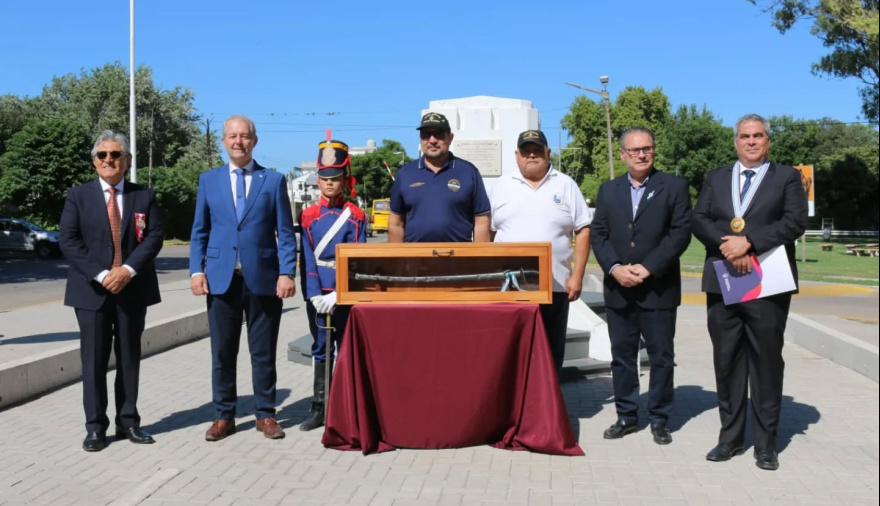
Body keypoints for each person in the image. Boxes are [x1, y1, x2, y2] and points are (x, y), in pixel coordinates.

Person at [693, 114, 807, 471]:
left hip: (768, 283)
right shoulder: (716, 177)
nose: (752, 142)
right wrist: (728, 246)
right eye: (745, 136)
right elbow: (700, 218)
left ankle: (765, 444)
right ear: (736, 141)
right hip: (724, 281)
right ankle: (730, 439)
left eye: (758, 136)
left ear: (767, 141)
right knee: (727, 362)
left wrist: (751, 243)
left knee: (766, 362)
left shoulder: (787, 177)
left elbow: (794, 222)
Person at [189, 115, 298, 441]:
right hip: (221, 279)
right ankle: (224, 415)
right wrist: (197, 270)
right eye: (233, 136)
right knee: (222, 353)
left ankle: (265, 414)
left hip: (264, 279)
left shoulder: (273, 180)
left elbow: (286, 233)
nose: (239, 141)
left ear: (254, 140)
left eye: (245, 136)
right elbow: (199, 232)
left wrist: (286, 272)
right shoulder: (209, 180)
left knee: (263, 351)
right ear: (223, 141)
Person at [59, 130, 164, 452]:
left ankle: (129, 422)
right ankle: (95, 428)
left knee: (130, 359)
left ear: (127, 160)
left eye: (115, 155)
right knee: (93, 362)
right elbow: (69, 241)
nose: (109, 160)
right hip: (92, 292)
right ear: (94, 161)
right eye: (103, 155)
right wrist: (104, 274)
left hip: (133, 290)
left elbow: (154, 236)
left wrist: (127, 270)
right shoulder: (78, 196)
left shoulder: (142, 196)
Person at [589, 127, 692, 445]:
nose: (641, 154)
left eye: (647, 148)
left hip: (658, 288)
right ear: (622, 154)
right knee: (622, 356)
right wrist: (615, 267)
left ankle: (660, 418)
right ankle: (627, 416)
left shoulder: (674, 187)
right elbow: (599, 235)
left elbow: (680, 234)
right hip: (619, 288)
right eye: (634, 150)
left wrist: (648, 268)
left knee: (661, 356)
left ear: (654, 150)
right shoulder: (608, 191)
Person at [489, 129, 592, 374]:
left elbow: (584, 230)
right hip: (509, 288)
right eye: (526, 151)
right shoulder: (501, 186)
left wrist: (577, 276)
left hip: (554, 287)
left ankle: (549, 409)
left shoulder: (565, 184)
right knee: (512, 354)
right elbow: (488, 233)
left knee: (550, 353)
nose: (532, 155)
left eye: (537, 150)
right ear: (517, 155)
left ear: (547, 153)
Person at [298, 139, 367, 431]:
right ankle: (319, 407)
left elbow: (358, 258)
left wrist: (341, 293)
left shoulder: (357, 216)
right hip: (318, 294)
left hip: (344, 293)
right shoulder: (309, 216)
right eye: (324, 178)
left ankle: (346, 408)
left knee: (347, 348)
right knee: (321, 348)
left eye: (335, 178)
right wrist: (315, 295)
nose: (329, 184)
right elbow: (308, 258)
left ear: (345, 179)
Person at [388, 112, 490, 243]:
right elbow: (396, 224)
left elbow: (482, 221)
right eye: (426, 135)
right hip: (416, 258)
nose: (432, 140)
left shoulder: (469, 172)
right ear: (421, 138)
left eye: (439, 134)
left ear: (450, 137)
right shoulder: (405, 174)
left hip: (459, 258)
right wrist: (397, 261)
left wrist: (479, 259)